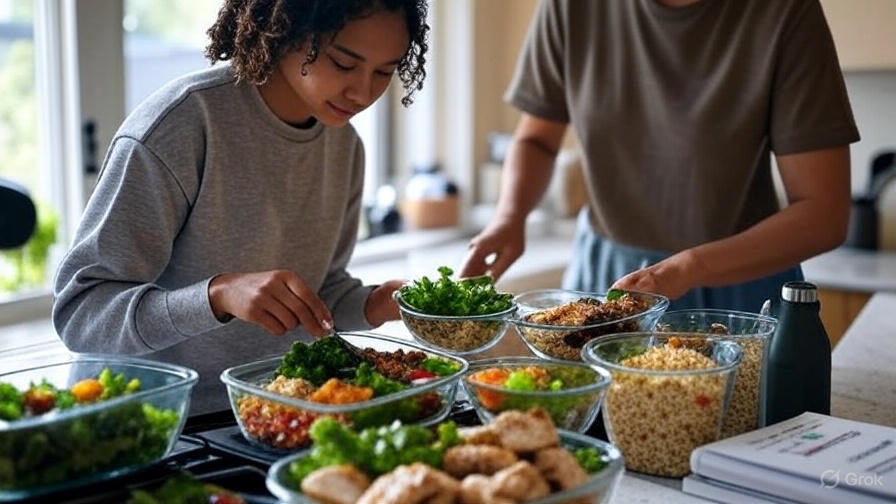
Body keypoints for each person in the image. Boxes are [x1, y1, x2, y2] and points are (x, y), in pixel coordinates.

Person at [53, 0, 429, 415]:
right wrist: (218, 296)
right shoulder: (183, 124)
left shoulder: (345, 146)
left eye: (384, 72)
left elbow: (318, 292)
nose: (363, 93)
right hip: (143, 425)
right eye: (343, 64)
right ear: (284, 29)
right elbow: (81, 314)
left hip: (266, 416)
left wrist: (374, 304)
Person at [460, 0, 859, 313]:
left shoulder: (783, 11)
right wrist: (509, 217)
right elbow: (537, 141)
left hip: (737, 288)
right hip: (605, 278)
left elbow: (823, 214)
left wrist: (689, 268)